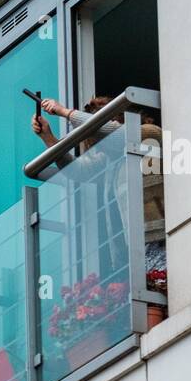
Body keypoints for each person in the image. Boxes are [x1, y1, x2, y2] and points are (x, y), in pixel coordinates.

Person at [30, 95, 166, 295]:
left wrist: (65, 112)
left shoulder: (148, 134)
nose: (98, 143)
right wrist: (48, 138)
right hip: (137, 246)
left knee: (161, 291)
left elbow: (116, 135)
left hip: (161, 236)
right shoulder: (111, 161)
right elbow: (80, 171)